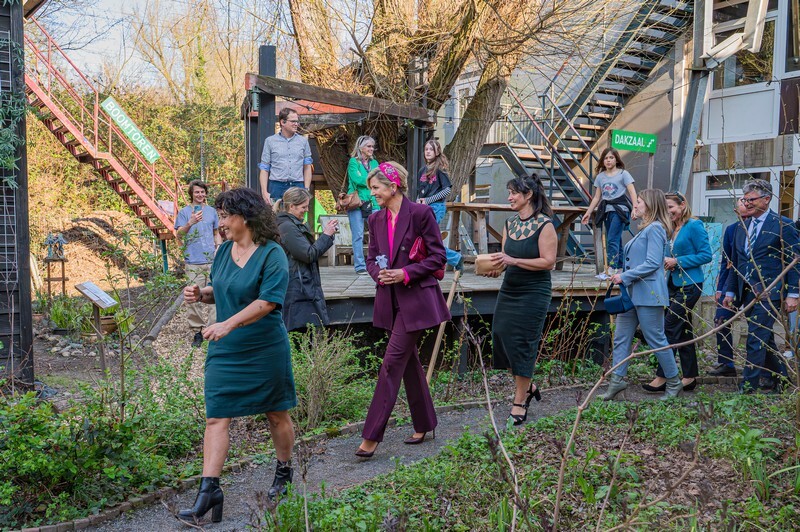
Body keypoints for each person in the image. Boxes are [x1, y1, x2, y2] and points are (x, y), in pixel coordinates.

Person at [178, 188, 296, 524]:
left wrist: (228, 323)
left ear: (245, 216)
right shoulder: (224, 251)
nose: (222, 222)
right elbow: (223, 289)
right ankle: (209, 491)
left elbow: (268, 301)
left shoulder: (272, 253)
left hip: (263, 347)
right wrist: (201, 294)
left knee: (276, 415)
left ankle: (284, 472)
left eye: (226, 215)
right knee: (216, 416)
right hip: (226, 347)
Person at [355, 161, 450, 459]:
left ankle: (371, 436)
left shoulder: (421, 213)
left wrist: (405, 273)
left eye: (375, 188)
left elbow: (438, 257)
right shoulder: (375, 220)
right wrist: (378, 274)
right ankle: (425, 423)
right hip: (389, 300)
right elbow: (371, 258)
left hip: (417, 302)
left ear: (393, 186)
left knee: (391, 364)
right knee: (408, 364)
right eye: (371, 189)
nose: (372, 194)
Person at [484, 174, 557, 425]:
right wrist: (497, 268)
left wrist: (514, 261)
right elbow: (506, 257)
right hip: (510, 288)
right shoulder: (510, 223)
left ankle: (519, 400)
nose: (510, 197)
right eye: (510, 192)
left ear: (529, 196)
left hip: (534, 292)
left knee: (523, 344)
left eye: (515, 192)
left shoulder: (545, 225)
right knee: (501, 335)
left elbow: (548, 262)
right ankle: (529, 386)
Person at [600, 189, 683, 401]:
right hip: (632, 294)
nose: (635, 205)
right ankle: (617, 381)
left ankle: (673, 382)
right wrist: (621, 274)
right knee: (620, 338)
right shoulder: (644, 229)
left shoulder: (655, 228)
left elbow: (653, 263)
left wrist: (625, 276)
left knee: (656, 339)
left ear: (650, 205)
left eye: (638, 202)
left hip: (649, 294)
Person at [723, 179, 800, 393]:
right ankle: (782, 379)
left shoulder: (783, 225)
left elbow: (795, 261)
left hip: (770, 291)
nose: (746, 203)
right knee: (764, 339)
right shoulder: (742, 227)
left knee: (755, 338)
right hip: (747, 291)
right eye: (744, 199)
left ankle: (748, 388)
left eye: (751, 199)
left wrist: (793, 293)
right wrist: (730, 291)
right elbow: (737, 263)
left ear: (766, 199)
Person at [643, 191, 712, 393]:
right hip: (673, 283)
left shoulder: (694, 225)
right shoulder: (670, 228)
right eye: (665, 208)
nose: (668, 211)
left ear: (682, 205)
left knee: (669, 327)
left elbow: (706, 255)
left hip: (691, 284)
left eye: (671, 207)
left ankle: (663, 377)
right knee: (682, 331)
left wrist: (678, 261)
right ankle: (689, 377)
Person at [276, 187, 338, 331]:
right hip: (297, 289)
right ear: (291, 206)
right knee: (301, 334)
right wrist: (326, 235)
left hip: (301, 285)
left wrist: (326, 235)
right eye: (303, 207)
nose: (306, 210)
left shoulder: (290, 224)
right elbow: (308, 254)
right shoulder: (287, 227)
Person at [174, 180, 222, 347]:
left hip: (211, 260)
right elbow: (179, 235)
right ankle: (197, 331)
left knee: (215, 295)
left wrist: (219, 247)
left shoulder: (212, 212)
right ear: (191, 194)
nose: (200, 195)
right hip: (193, 261)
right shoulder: (184, 212)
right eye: (197, 192)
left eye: (202, 192)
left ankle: (213, 328)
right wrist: (190, 222)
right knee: (193, 297)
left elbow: (216, 233)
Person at [581, 148, 638, 277]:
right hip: (607, 210)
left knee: (612, 239)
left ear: (616, 159)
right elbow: (597, 197)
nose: (608, 160)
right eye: (606, 158)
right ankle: (620, 268)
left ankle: (612, 267)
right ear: (602, 161)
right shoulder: (600, 177)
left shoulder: (623, 174)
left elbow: (632, 191)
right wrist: (588, 213)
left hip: (620, 210)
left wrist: (635, 208)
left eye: (611, 157)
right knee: (615, 240)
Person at [709, 199, 747, 377]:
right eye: (742, 202)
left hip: (755, 285)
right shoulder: (732, 230)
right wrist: (720, 289)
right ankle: (726, 362)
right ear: (735, 210)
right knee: (721, 319)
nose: (746, 204)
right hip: (732, 283)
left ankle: (767, 370)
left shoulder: (766, 228)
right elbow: (726, 261)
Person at [415, 139, 463, 270]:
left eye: (431, 149)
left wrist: (429, 200)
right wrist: (418, 201)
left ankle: (453, 258)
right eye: (426, 149)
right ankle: (450, 259)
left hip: (436, 207)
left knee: (428, 238)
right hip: (423, 208)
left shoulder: (440, 169)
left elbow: (447, 190)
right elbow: (420, 191)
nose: (428, 151)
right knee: (426, 238)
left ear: (437, 152)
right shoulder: (422, 170)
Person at [259, 108, 313, 204]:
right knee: (275, 216)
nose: (296, 124)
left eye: (297, 121)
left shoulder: (303, 141)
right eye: (293, 121)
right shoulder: (270, 141)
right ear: (282, 122)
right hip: (276, 186)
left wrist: (306, 189)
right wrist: (264, 192)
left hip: (297, 185)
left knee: (297, 216)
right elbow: (264, 168)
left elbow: (307, 167)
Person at [346, 135, 379, 274]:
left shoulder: (375, 163)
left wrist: (366, 179)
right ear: (360, 148)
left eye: (372, 146)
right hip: (357, 202)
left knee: (377, 234)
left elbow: (378, 179)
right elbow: (357, 179)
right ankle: (360, 266)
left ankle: (377, 263)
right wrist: (370, 179)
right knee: (358, 235)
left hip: (373, 201)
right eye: (368, 146)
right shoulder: (353, 162)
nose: (371, 149)